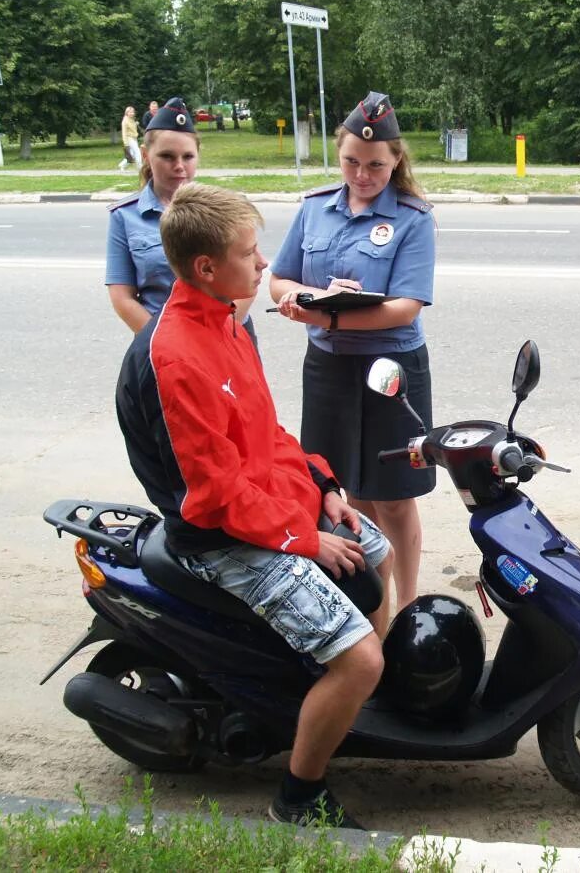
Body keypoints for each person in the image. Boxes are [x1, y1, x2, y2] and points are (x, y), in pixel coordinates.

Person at [115, 181, 389, 827]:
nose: (264, 264)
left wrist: (322, 488)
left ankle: (339, 707)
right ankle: (298, 796)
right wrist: (305, 537)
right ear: (207, 268)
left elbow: (265, 435)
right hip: (222, 541)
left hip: (266, 504)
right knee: (362, 656)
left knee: (379, 546)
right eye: (249, 252)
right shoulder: (177, 358)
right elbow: (215, 497)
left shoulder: (228, 322)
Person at [269, 91, 436, 634]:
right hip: (330, 370)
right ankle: (368, 607)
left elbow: (406, 305)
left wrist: (330, 318)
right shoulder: (314, 207)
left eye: (376, 166)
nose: (362, 175)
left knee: (393, 497)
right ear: (338, 156)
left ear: (396, 162)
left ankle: (409, 611)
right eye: (351, 162)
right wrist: (305, 297)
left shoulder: (413, 218)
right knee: (341, 493)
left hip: (391, 370)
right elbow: (278, 278)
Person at [105, 97, 256, 339]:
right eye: (167, 156)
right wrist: (168, 341)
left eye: (188, 157)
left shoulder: (225, 207)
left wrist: (218, 337)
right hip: (162, 341)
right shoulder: (124, 216)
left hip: (229, 335)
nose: (179, 166)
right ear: (145, 155)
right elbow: (122, 297)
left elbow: (250, 278)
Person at [117, 105, 141, 173]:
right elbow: (124, 133)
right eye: (130, 112)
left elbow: (132, 128)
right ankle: (140, 167)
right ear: (126, 113)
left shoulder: (132, 119)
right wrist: (125, 143)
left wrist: (136, 124)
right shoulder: (125, 121)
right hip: (129, 139)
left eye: (133, 112)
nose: (132, 113)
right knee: (137, 152)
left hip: (134, 138)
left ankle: (122, 165)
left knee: (132, 155)